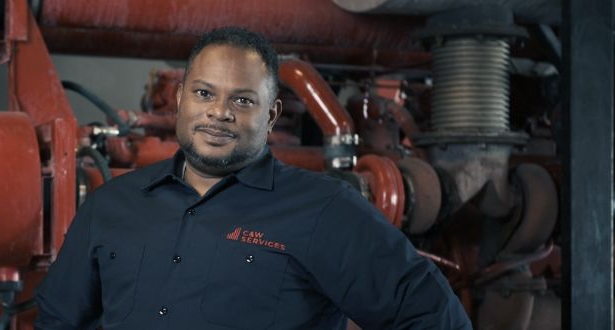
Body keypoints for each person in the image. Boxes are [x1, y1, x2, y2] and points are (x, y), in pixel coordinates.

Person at [35, 26, 472, 330]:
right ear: (182, 97)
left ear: (271, 115)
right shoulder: (112, 205)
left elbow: (430, 316)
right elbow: (58, 320)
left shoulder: (324, 211)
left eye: (242, 100)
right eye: (205, 93)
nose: (220, 112)